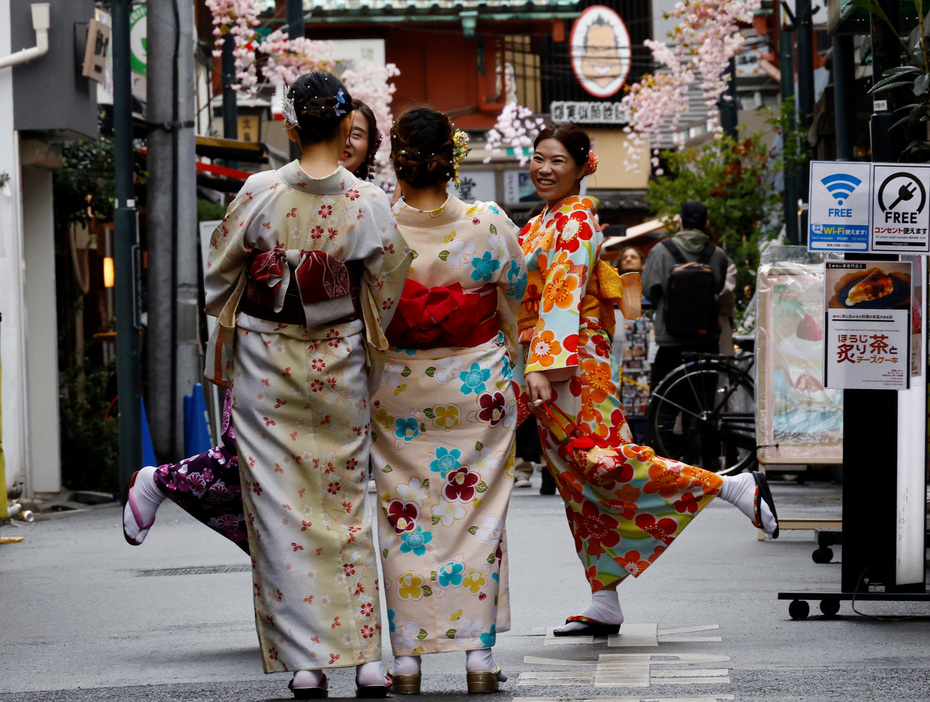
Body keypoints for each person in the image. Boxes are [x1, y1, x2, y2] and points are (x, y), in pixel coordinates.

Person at [518, 122, 778, 637]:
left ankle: (731, 486)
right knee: (578, 481)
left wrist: (540, 364)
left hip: (568, 362)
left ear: (580, 167)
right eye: (537, 158)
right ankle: (603, 598)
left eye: (557, 161)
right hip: (546, 359)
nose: (544, 169)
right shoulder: (544, 219)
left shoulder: (577, 222)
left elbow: (563, 296)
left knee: (605, 461)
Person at [204, 72, 412, 698]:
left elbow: (219, 272)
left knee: (278, 513)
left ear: (290, 124)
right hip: (340, 358)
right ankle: (367, 658)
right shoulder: (368, 202)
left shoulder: (259, 192)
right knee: (344, 503)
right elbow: (389, 281)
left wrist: (274, 283)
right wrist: (344, 307)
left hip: (268, 361)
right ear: (345, 125)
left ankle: (305, 662)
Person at [122, 97, 385, 555]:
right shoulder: (268, 187)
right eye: (345, 129)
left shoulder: (372, 199)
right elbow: (227, 266)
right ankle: (162, 482)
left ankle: (304, 566)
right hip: (269, 343)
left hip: (339, 348)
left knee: (322, 469)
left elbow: (218, 274)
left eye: (357, 134)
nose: (345, 142)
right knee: (251, 460)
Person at [372, 106, 526, 695]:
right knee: (476, 517)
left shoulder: (377, 222)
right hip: (475, 388)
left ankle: (407, 660)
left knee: (403, 514)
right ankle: (478, 660)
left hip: (399, 387)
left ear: (397, 159)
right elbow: (515, 289)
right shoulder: (488, 223)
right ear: (453, 157)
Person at [641, 200, 733, 389]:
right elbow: (717, 288)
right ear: (706, 224)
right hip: (706, 340)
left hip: (670, 339)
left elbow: (648, 290)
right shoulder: (718, 255)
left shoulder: (660, 251)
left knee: (664, 403)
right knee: (702, 405)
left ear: (680, 221)